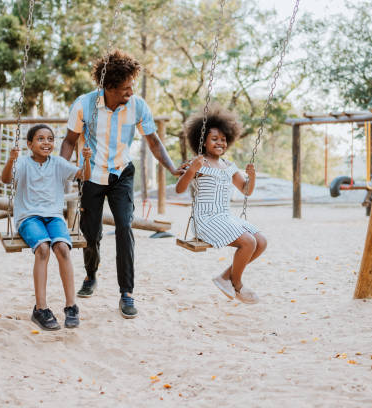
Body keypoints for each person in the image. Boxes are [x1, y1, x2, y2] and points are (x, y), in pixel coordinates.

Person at [61, 49, 184, 319]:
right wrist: (58, 173)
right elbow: (70, 141)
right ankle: (91, 275)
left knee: (125, 227)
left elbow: (152, 140)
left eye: (132, 86)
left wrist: (172, 167)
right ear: (108, 86)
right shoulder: (84, 104)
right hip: (91, 176)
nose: (130, 92)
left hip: (121, 173)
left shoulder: (138, 105)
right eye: (125, 88)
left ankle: (126, 292)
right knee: (91, 233)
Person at [2, 124, 92, 330]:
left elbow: (84, 176)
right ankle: (40, 309)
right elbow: (6, 179)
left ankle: (71, 306)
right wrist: (11, 159)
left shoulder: (58, 163)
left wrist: (86, 159)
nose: (46, 143)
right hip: (29, 217)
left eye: (50, 139)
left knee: (62, 248)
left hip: (53, 217)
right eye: (40, 139)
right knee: (43, 249)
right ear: (29, 144)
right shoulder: (23, 162)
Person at [175, 106, 267, 304]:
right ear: (203, 141)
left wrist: (251, 177)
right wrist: (192, 171)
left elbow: (246, 190)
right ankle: (238, 284)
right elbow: (179, 189)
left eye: (223, 139)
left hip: (225, 217)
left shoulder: (229, 167)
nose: (220, 142)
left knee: (261, 241)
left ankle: (225, 277)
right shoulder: (199, 163)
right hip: (205, 219)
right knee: (249, 242)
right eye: (214, 138)